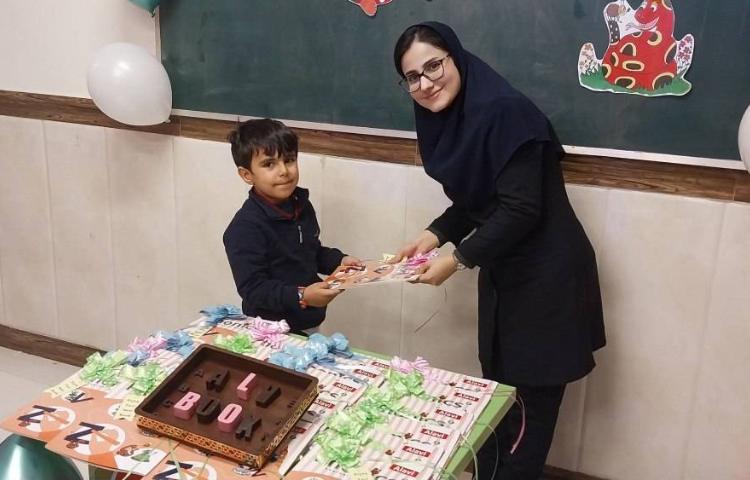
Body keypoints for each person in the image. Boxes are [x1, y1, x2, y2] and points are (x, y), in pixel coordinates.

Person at [392, 22, 606, 479]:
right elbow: (480, 198)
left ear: (456, 58)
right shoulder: (459, 117)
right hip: (507, 275)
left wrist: (456, 260)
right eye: (412, 77)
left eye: (434, 66)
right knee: (497, 405)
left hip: (547, 283)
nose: (426, 84)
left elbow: (521, 208)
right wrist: (433, 236)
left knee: (526, 416)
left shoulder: (505, 112)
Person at [223, 119, 360, 335]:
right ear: (247, 175)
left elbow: (310, 252)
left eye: (289, 160)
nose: (284, 171)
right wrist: (302, 295)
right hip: (269, 330)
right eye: (269, 164)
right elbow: (254, 290)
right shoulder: (244, 228)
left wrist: (340, 261)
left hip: (308, 320)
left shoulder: (301, 206)